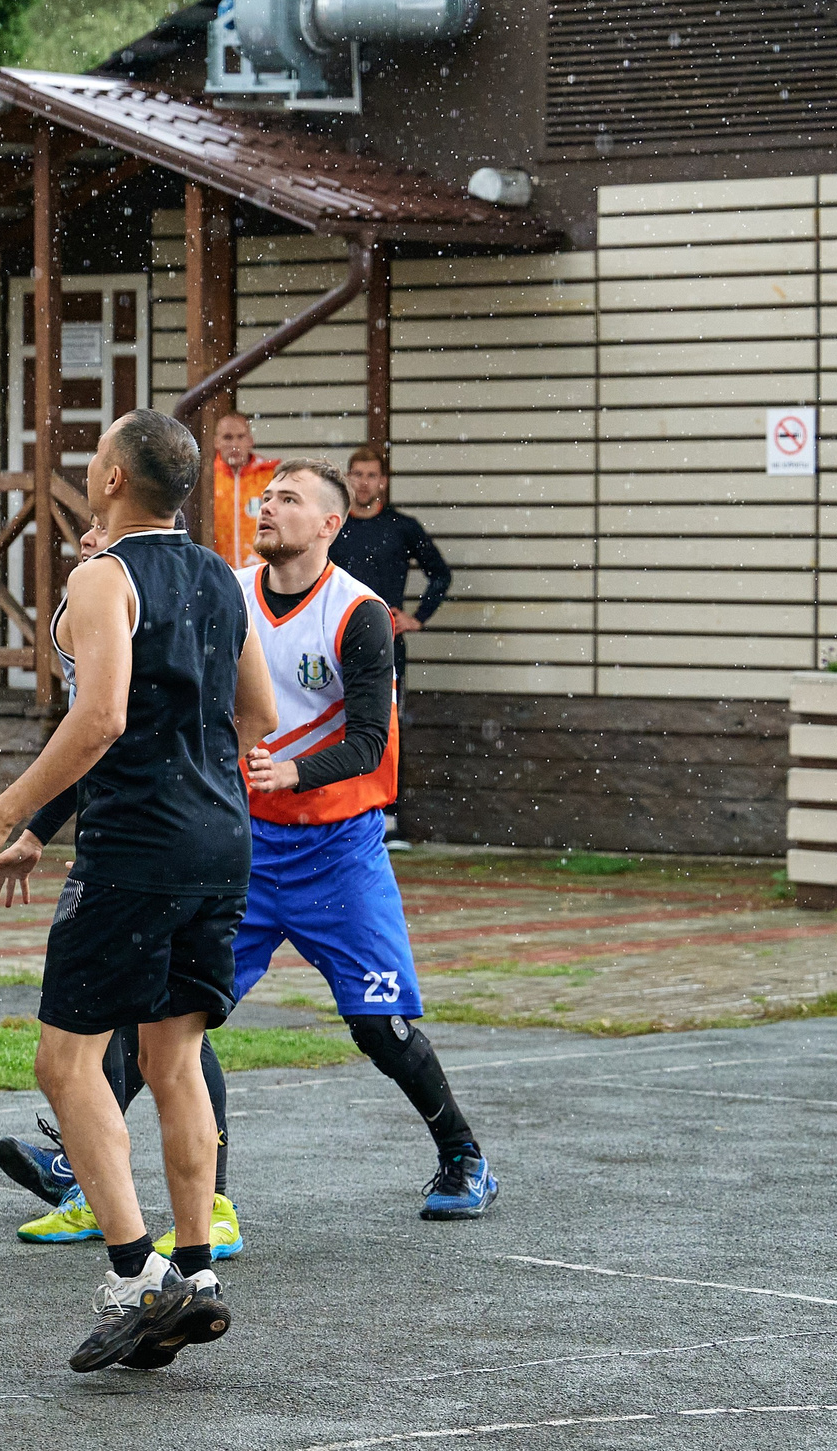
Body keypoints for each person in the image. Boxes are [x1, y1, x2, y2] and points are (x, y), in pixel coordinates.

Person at [0, 409, 276, 1373]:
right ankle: (198, 1270)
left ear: (116, 481)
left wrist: (6, 814)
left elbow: (100, 718)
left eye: (96, 459)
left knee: (65, 1062)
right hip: (223, 843)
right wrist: (190, 772)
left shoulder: (102, 576)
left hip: (137, 851)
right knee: (174, 1060)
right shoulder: (219, 577)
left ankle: (136, 1278)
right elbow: (254, 712)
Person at [236, 458, 496, 1220]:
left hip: (338, 852)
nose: (268, 506)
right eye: (266, 495)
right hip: (249, 845)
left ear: (328, 525)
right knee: (175, 1008)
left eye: (288, 498)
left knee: (379, 1026)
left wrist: (293, 769)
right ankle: (78, 1159)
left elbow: (370, 738)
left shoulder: (359, 612)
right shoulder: (231, 591)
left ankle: (463, 1156)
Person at [330, 445, 453, 681]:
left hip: (386, 640)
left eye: (371, 475)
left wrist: (418, 617)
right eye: (357, 475)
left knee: (390, 716)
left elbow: (440, 575)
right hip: (335, 637)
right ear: (347, 479)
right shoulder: (332, 526)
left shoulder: (402, 527)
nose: (363, 483)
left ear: (383, 482)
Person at [209, 413, 280, 570]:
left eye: (240, 437)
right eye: (227, 437)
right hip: (217, 574)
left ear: (250, 440)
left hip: (264, 575)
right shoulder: (206, 479)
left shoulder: (271, 475)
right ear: (216, 442)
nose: (235, 444)